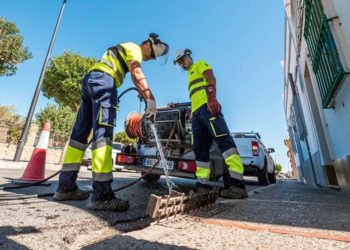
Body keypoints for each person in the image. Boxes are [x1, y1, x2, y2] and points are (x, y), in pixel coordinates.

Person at [53, 33, 169, 211]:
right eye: (153, 52)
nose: (151, 57)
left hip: (91, 81)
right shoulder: (135, 49)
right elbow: (136, 72)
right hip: (105, 83)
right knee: (103, 138)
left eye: (154, 57)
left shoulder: (124, 49)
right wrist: (150, 99)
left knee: (79, 137)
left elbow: (132, 74)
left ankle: (65, 187)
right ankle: (102, 196)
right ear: (147, 44)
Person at [173, 49, 247, 199]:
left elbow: (211, 78)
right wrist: (192, 112)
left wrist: (212, 98)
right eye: (179, 63)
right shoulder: (189, 75)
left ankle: (238, 185)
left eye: (182, 60)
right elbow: (196, 96)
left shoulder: (200, 64)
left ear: (188, 56)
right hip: (197, 115)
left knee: (225, 142)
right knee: (200, 148)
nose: (181, 64)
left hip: (208, 108)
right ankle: (203, 186)